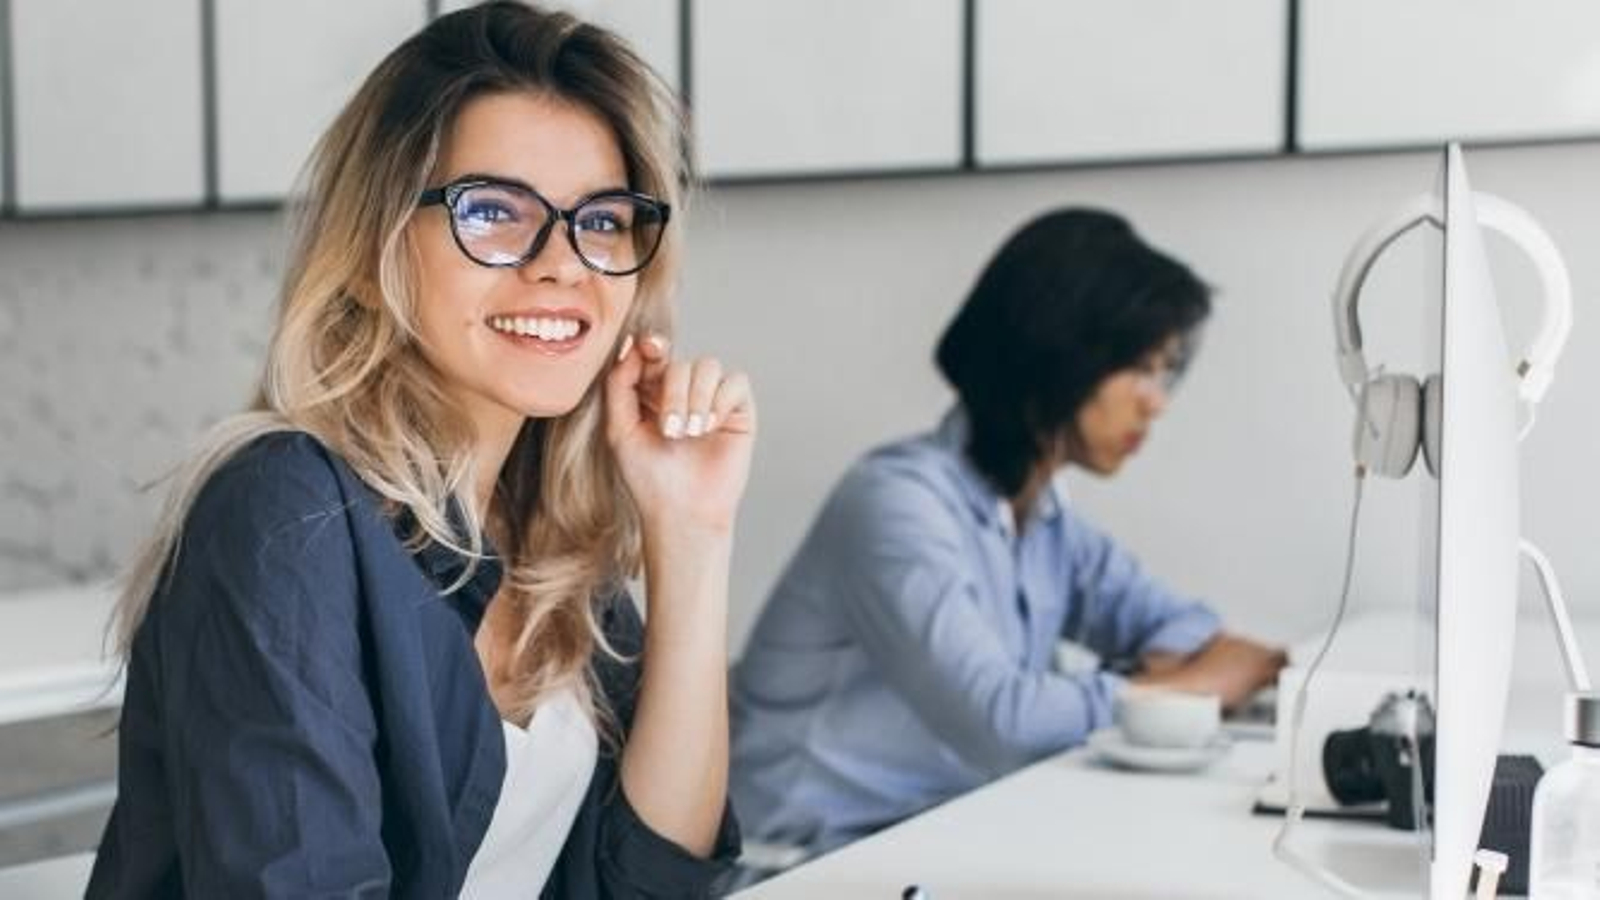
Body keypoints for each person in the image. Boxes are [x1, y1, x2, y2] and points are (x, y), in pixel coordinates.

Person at [87, 3, 751, 897]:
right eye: (493, 211)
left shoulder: (546, 525)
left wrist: (693, 538)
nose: (562, 263)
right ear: (374, 249)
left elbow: (653, 883)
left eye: (601, 220)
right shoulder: (285, 512)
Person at [728, 208, 1286, 866]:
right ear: (1062, 356)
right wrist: (1190, 689)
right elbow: (1008, 724)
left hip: (935, 840)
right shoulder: (896, 505)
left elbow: (1191, 630)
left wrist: (1174, 679)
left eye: (1165, 373)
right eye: (1139, 368)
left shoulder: (1043, 516)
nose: (1156, 401)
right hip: (804, 869)